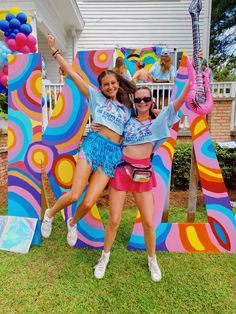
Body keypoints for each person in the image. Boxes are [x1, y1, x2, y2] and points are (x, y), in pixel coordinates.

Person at [41, 34, 136, 246]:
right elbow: (74, 75)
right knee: (75, 195)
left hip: (112, 154)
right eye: (106, 84)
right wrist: (54, 51)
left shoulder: (126, 110)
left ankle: (72, 223)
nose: (110, 87)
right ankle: (50, 213)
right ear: (100, 87)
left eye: (113, 83)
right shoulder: (95, 97)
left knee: (90, 200)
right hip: (93, 146)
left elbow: (136, 127)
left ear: (118, 84)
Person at [92, 81, 190, 282]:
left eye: (146, 98)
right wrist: (97, 126)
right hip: (121, 171)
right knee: (114, 220)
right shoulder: (127, 119)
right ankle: (104, 258)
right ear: (134, 102)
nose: (142, 102)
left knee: (148, 221)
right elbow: (109, 123)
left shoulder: (159, 121)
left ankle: (152, 259)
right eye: (138, 99)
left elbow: (179, 102)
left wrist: (194, 77)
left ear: (151, 101)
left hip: (143, 174)